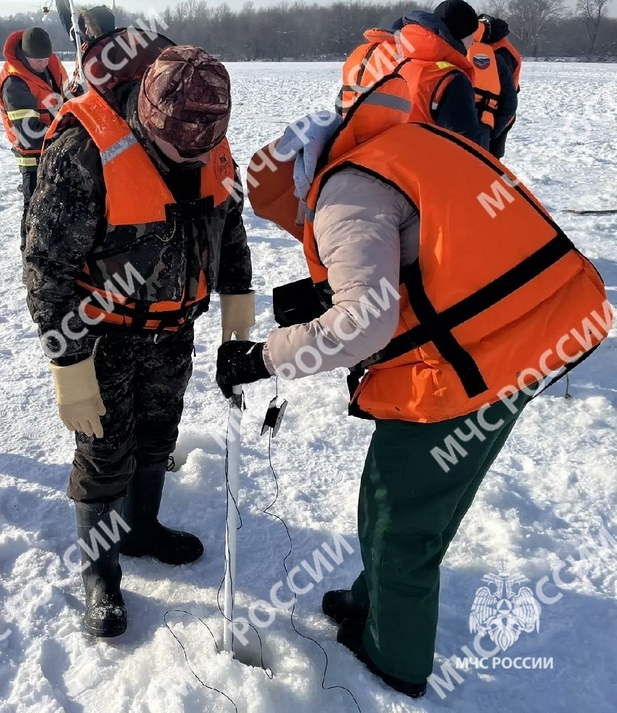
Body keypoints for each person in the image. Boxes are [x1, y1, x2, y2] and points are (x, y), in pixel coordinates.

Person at [216, 76, 608, 696]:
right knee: (410, 495)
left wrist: (263, 359)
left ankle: (394, 655)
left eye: (297, 222)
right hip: (533, 330)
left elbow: (362, 324)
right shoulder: (407, 145)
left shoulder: (343, 192)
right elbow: (436, 253)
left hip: (475, 364)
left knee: (401, 515)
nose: (303, 231)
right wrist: (321, 294)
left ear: (300, 190)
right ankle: (374, 596)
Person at [24, 33, 254, 639]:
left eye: (201, 148)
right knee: (104, 453)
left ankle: (143, 528)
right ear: (148, 116)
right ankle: (100, 573)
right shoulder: (82, 150)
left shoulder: (207, 138)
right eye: (176, 150)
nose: (190, 159)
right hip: (103, 337)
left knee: (157, 437)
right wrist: (67, 364)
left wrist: (239, 294)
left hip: (174, 330)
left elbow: (228, 225)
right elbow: (46, 267)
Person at [337, 1, 486, 146]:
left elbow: (342, 107)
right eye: (471, 35)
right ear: (460, 35)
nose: (473, 42)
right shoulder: (450, 79)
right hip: (409, 166)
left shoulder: (367, 55)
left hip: (351, 161)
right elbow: (467, 150)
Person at [0, 27, 68, 252]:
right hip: (32, 158)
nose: (43, 64)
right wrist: (68, 131)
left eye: (46, 58)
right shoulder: (14, 84)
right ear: (24, 56)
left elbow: (67, 97)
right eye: (37, 60)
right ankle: (30, 262)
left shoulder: (51, 68)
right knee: (34, 211)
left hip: (57, 149)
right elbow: (29, 134)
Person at [467, 18, 517, 157]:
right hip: (484, 123)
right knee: (480, 170)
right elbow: (510, 104)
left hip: (448, 126)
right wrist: (492, 131)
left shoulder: (447, 54)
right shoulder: (497, 58)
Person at [478, 13, 522, 157]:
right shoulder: (490, 49)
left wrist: (493, 131)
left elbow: (505, 97)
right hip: (491, 115)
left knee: (490, 161)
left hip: (498, 118)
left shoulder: (500, 55)